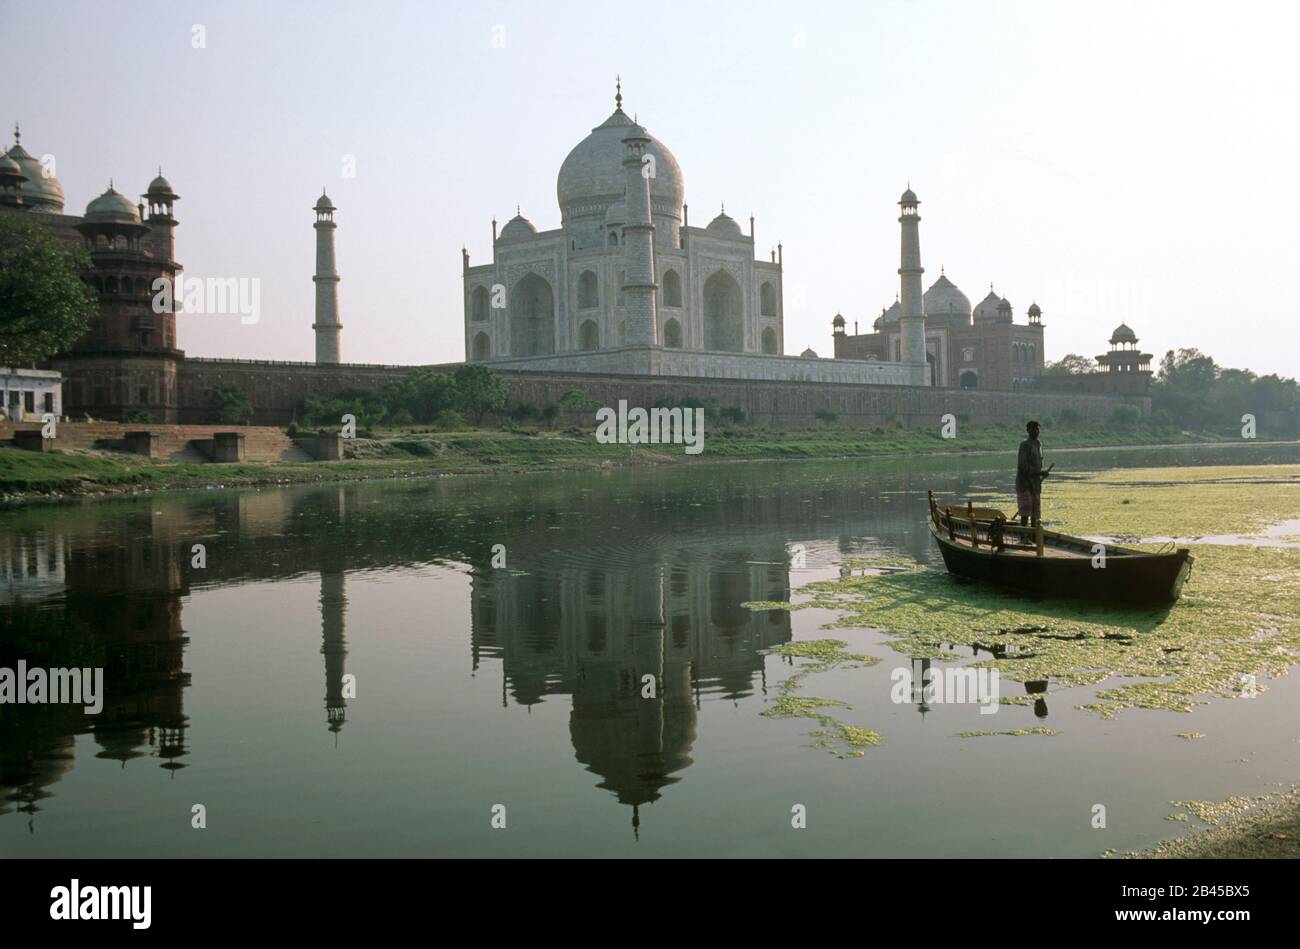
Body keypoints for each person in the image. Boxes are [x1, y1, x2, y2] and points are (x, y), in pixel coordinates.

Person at [1016, 420, 1050, 527]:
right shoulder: (1024, 445)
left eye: (1037, 429)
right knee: (1025, 512)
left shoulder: (1039, 444)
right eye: (1033, 429)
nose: (1035, 431)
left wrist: (1042, 473)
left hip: (1035, 485)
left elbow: (1039, 464)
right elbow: (1023, 466)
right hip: (1024, 484)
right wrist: (1040, 472)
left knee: (1035, 512)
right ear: (1028, 431)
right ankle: (1023, 537)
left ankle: (1034, 536)